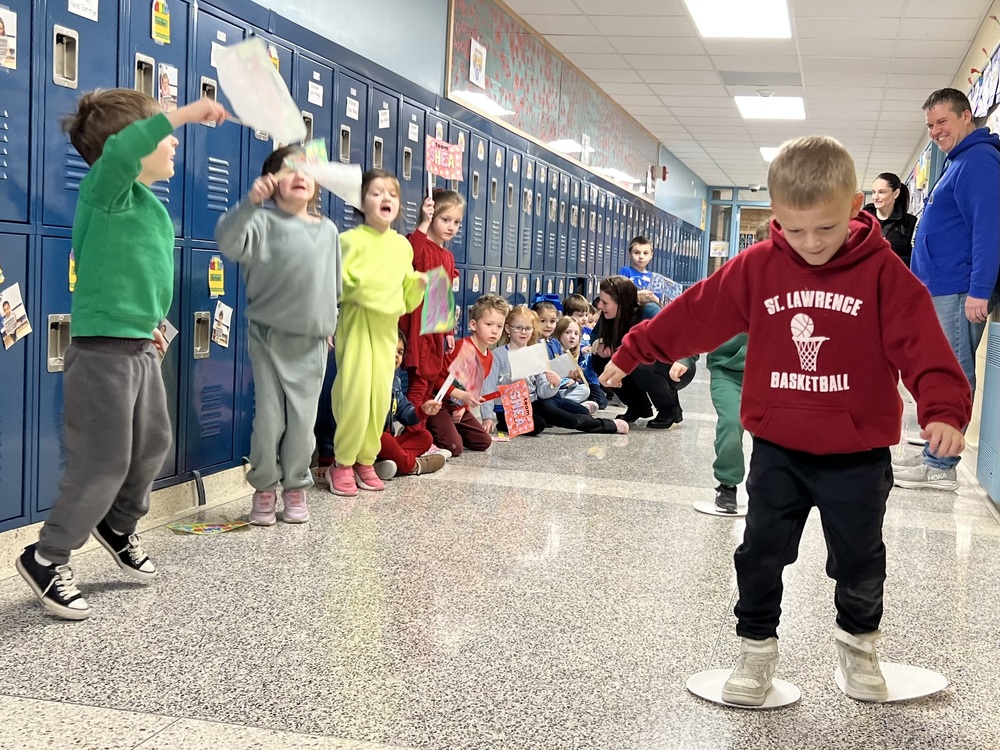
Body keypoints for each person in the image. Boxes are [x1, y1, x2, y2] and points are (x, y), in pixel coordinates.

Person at [599, 135, 971, 706]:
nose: (811, 242)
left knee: (861, 560)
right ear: (774, 214)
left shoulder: (884, 274)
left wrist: (943, 411)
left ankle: (859, 646)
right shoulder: (758, 268)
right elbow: (697, 313)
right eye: (795, 230)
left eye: (826, 227)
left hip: (857, 455)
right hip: (779, 448)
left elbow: (925, 347)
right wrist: (634, 350)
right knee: (760, 554)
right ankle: (755, 651)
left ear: (855, 207)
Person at [16, 90, 227, 620]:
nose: (173, 141)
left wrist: (149, 321)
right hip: (101, 356)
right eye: (163, 133)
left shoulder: (148, 205)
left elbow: (138, 272)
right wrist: (184, 112)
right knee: (102, 461)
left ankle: (117, 525)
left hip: (138, 348)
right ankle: (47, 556)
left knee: (154, 444)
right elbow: (127, 148)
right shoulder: (105, 191)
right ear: (124, 146)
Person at [215, 144, 343, 525]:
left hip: (312, 341)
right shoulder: (259, 223)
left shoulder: (328, 230)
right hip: (268, 337)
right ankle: (265, 487)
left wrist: (330, 323)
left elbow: (334, 285)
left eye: (307, 170)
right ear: (271, 183)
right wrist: (249, 204)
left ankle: (296, 487)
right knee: (269, 421)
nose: (300, 176)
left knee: (303, 424)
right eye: (289, 170)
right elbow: (227, 240)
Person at [893, 88, 1000, 491]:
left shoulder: (979, 160)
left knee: (953, 374)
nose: (936, 131)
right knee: (940, 371)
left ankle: (941, 466)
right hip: (943, 289)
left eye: (942, 121)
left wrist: (979, 289)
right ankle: (933, 454)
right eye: (930, 125)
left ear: (967, 116)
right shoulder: (957, 161)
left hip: (960, 290)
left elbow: (988, 228)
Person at [329, 169, 427, 497]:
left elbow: (406, 300)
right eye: (376, 192)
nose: (386, 198)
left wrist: (417, 285)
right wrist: (364, 290)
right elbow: (337, 284)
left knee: (380, 399)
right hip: (357, 327)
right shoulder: (348, 241)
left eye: (392, 194)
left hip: (387, 331)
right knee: (355, 395)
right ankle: (342, 462)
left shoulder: (401, 246)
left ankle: (366, 460)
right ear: (362, 202)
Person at [481, 306, 628, 436]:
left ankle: (608, 425)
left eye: (527, 328)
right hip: (508, 409)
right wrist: (487, 417)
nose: (523, 332)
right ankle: (505, 424)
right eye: (518, 328)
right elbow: (487, 388)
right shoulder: (498, 355)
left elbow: (543, 392)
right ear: (508, 329)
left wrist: (555, 384)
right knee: (538, 425)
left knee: (568, 418)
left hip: (532, 404)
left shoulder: (535, 354)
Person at [705, 219, 767, 513]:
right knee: (731, 423)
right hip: (727, 371)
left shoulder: (792, 285)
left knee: (771, 436)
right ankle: (727, 485)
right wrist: (685, 358)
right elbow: (699, 322)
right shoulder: (732, 283)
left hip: (768, 376)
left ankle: (768, 488)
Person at [591, 276, 696, 428]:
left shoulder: (649, 311)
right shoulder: (609, 315)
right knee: (600, 361)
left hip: (676, 365)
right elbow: (595, 335)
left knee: (642, 366)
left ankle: (670, 410)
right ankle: (637, 406)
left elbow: (683, 337)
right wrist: (599, 344)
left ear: (621, 302)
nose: (600, 306)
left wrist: (684, 361)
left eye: (605, 302)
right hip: (641, 361)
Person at [400, 189, 463, 412]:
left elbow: (444, 298)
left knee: (429, 384)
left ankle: (420, 427)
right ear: (431, 216)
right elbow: (410, 257)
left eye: (456, 222)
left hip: (435, 328)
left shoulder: (448, 256)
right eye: (445, 220)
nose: (451, 227)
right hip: (418, 326)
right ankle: (414, 426)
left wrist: (448, 332)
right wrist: (424, 223)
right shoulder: (418, 243)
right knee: (419, 382)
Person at [424, 294, 508, 456]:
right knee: (455, 447)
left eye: (499, 326)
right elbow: (436, 381)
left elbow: (470, 388)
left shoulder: (489, 357)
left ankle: (448, 431)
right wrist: (461, 396)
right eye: (489, 324)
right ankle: (427, 429)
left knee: (484, 441)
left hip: (456, 407)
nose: (494, 330)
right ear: (473, 325)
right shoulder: (461, 348)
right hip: (438, 404)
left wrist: (462, 408)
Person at [373, 331, 447, 479]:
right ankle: (414, 465)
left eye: (400, 352)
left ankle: (385, 463)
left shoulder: (395, 382)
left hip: (384, 445)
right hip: (368, 443)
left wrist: (422, 411)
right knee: (383, 438)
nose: (396, 356)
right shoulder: (368, 378)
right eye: (391, 349)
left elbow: (406, 414)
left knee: (425, 437)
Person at [861, 172, 917, 267]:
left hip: (893, 274)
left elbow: (912, 259)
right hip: (864, 274)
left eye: (881, 192)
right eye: (874, 192)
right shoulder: (862, 219)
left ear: (896, 194)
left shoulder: (909, 223)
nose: (875, 197)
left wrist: (885, 259)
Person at [563, 293, 607, 409]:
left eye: (586, 315)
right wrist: (581, 350)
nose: (584, 319)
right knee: (597, 400)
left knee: (602, 402)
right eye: (580, 315)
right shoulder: (566, 332)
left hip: (590, 377)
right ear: (568, 315)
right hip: (575, 376)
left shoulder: (588, 331)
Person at [552, 316, 590, 403]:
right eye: (568, 332)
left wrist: (573, 382)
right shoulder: (555, 350)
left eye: (576, 334)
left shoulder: (572, 354)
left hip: (564, 390)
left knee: (584, 389)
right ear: (559, 333)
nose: (572, 336)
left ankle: (567, 404)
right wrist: (566, 381)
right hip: (554, 389)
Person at [618, 236, 659, 305]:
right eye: (637, 253)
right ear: (630, 254)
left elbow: (658, 302)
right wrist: (637, 295)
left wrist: (652, 297)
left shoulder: (654, 278)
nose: (641, 257)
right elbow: (619, 295)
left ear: (651, 255)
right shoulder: (625, 271)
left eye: (645, 253)